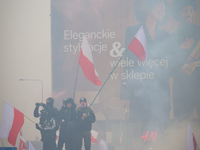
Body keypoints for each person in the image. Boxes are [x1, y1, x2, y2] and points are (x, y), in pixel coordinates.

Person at [120, 0, 171, 121]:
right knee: (138, 131)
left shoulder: (166, 35)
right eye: (160, 5)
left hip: (160, 93)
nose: (163, 9)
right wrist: (125, 95)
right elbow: (128, 64)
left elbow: (168, 66)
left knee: (161, 133)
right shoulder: (133, 31)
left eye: (164, 8)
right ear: (149, 6)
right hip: (139, 92)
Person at [170, 0, 200, 119]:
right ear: (177, 14)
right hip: (182, 91)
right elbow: (168, 68)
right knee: (181, 129)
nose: (189, 14)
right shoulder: (172, 38)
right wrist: (181, 69)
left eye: (191, 10)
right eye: (185, 11)